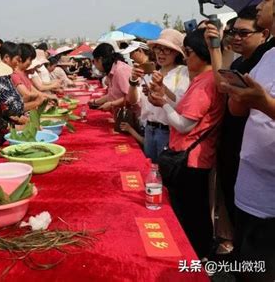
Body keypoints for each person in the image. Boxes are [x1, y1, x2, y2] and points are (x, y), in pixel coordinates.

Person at [149, 28, 225, 259]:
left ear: (201, 53)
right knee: (194, 212)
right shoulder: (204, 79)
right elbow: (186, 106)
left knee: (192, 215)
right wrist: (165, 95)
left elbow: (185, 125)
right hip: (193, 156)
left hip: (191, 159)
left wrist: (162, 103)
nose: (186, 57)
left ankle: (196, 258)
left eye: (188, 52)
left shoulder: (205, 83)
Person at [219, 0, 275, 281]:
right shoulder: (267, 57)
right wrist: (240, 97)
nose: (262, 3)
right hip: (249, 189)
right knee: (246, 268)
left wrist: (263, 102)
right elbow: (241, 110)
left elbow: (264, 104)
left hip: (271, 202)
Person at [204, 5, 271, 254]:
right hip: (237, 144)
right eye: (233, 33)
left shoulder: (263, 55)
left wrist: (213, 48)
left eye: (244, 33)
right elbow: (225, 85)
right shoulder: (251, 60)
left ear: (264, 33)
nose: (236, 38)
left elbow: (222, 86)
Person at [127, 29, 190, 162]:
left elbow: (181, 105)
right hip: (149, 129)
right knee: (150, 171)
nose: (161, 53)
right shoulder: (151, 73)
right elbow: (133, 100)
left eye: (167, 50)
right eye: (158, 49)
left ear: (176, 53)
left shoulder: (183, 73)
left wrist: (163, 89)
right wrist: (133, 81)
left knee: (164, 174)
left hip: (168, 132)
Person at [89, 43, 132, 112]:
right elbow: (113, 95)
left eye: (94, 61)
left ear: (100, 60)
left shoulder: (120, 70)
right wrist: (95, 102)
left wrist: (112, 104)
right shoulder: (112, 70)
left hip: (132, 116)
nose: (95, 65)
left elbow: (130, 97)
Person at [0, 41, 27, 123]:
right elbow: (8, 109)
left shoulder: (6, 76)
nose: (18, 63)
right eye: (17, 59)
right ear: (6, 58)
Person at [11, 43, 46, 111]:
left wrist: (45, 97)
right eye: (30, 60)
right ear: (21, 59)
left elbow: (34, 92)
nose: (30, 63)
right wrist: (40, 99)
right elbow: (27, 94)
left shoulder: (24, 74)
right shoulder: (14, 75)